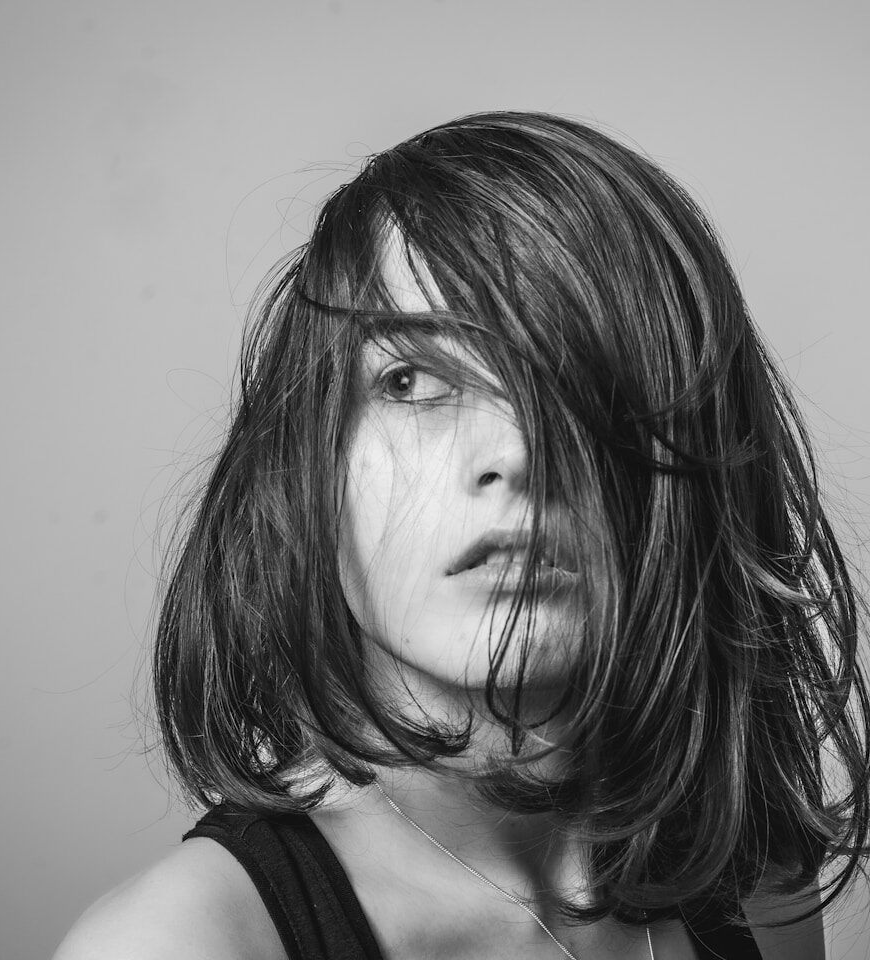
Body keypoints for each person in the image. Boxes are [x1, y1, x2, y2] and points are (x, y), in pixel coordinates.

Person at [54, 111, 869, 960]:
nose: (517, 454)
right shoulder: (179, 943)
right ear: (306, 473)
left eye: (578, 384)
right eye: (411, 380)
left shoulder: (755, 883)